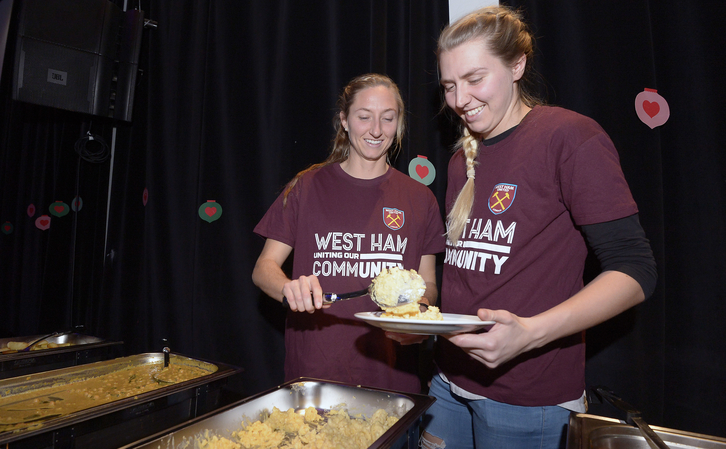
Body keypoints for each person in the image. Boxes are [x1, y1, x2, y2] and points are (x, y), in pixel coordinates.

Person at [419, 6, 657, 449]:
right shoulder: (458, 162)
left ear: (517, 65)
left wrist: (531, 333)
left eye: (474, 79)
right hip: (448, 383)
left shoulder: (569, 137)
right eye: (449, 85)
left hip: (527, 399)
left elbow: (636, 271)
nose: (459, 99)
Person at [252, 73, 446, 394]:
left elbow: (429, 284)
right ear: (344, 120)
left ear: (398, 125)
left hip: (392, 377)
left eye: (387, 118)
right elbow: (263, 269)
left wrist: (421, 312)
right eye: (363, 117)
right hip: (314, 374)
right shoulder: (307, 186)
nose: (375, 130)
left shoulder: (420, 198)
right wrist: (290, 289)